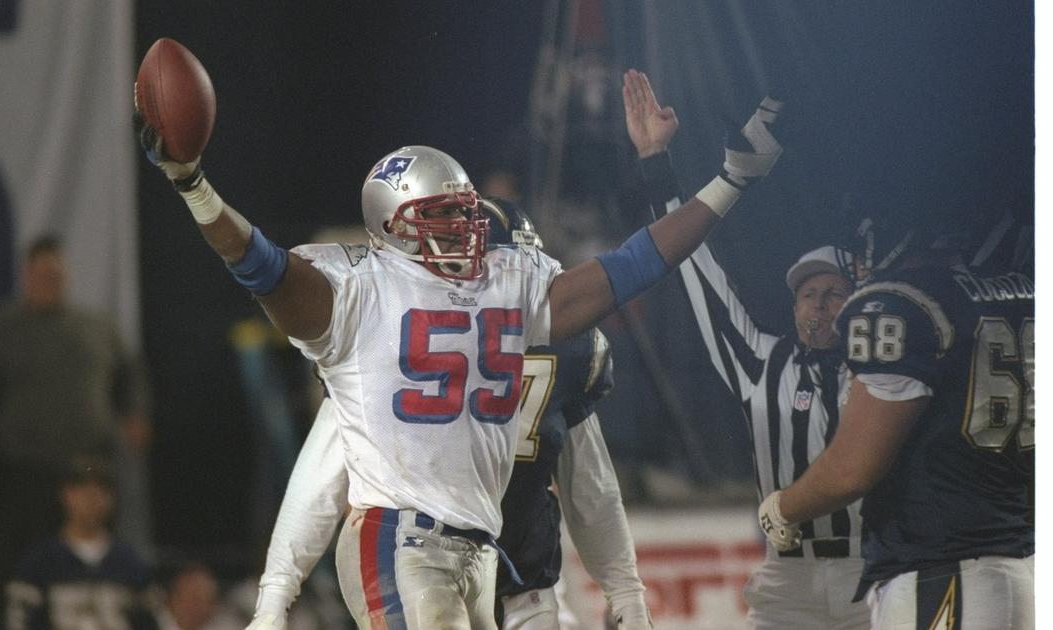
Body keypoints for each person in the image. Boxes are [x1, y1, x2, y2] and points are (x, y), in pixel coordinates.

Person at [136, 67, 783, 629]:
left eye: (467, 212)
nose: (467, 229)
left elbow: (635, 264)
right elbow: (261, 265)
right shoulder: (360, 292)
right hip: (395, 535)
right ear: (393, 227)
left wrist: (729, 184)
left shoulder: (512, 284)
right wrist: (194, 187)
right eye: (442, 216)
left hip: (482, 550)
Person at [240, 198, 651, 630]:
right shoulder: (406, 343)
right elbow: (321, 478)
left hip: (520, 583)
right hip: (434, 569)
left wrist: (627, 595)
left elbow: (590, 486)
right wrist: (276, 595)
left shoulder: (561, 348)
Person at [621, 70, 868, 629]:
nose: (819, 306)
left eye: (833, 294)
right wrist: (656, 162)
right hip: (788, 575)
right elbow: (695, 273)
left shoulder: (886, 363)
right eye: (808, 294)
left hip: (872, 569)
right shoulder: (762, 360)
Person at [757, 219, 1035, 628]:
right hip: (1017, 559)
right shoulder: (1015, 289)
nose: (862, 262)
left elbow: (853, 470)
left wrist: (781, 508)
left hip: (944, 570)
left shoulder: (898, 303)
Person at [0, 234, 152, 620]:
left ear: (66, 276)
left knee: (97, 556)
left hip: (88, 469)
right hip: (23, 469)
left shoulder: (96, 326)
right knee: (13, 563)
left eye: (56, 274)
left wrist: (135, 414)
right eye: (41, 274)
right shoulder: (4, 328)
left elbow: (130, 377)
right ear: (27, 276)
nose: (49, 281)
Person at [5, 457, 156, 630]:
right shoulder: (40, 562)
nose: (92, 500)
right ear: (66, 494)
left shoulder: (129, 563)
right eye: (84, 491)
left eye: (101, 491)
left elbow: (150, 621)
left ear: (112, 499)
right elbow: (19, 621)